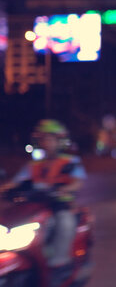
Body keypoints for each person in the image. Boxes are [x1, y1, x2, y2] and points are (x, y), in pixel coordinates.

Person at [3, 119, 87, 286]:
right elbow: (16, 182)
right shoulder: (33, 165)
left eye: (49, 139)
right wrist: (4, 189)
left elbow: (78, 181)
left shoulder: (69, 162)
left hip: (59, 207)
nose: (45, 142)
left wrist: (66, 189)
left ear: (59, 141)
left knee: (63, 223)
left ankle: (59, 265)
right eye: (42, 139)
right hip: (35, 206)